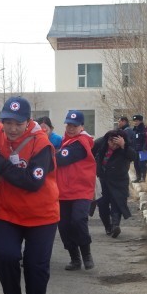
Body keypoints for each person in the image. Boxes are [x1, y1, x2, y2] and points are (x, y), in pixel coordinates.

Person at [0, 97, 59, 294]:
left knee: (36, 266)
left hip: (41, 214)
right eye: (8, 122)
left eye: (18, 123)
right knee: (5, 256)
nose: (12, 129)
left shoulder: (41, 144)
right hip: (7, 211)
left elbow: (32, 183)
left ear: (28, 122)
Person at [56, 110, 96, 271]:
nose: (71, 128)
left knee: (78, 220)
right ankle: (74, 258)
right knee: (64, 225)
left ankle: (86, 254)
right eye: (68, 125)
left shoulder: (81, 142)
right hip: (63, 191)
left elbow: (62, 159)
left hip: (81, 190)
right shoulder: (65, 142)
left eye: (75, 125)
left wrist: (48, 155)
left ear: (82, 127)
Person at [92, 129, 136, 237]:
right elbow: (89, 154)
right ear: (108, 140)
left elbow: (134, 156)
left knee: (117, 201)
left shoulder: (124, 146)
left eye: (117, 144)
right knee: (102, 204)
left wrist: (123, 146)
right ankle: (108, 226)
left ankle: (115, 225)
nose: (113, 146)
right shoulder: (100, 143)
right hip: (103, 178)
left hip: (119, 179)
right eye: (112, 143)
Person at [131, 114, 147, 183]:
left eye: (137, 121)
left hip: (144, 150)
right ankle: (138, 177)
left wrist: (145, 148)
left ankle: (142, 177)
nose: (135, 122)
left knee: (142, 164)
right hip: (135, 150)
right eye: (134, 121)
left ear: (140, 121)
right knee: (136, 164)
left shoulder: (144, 129)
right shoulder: (134, 130)